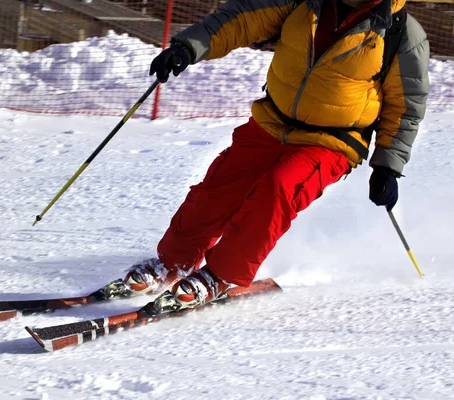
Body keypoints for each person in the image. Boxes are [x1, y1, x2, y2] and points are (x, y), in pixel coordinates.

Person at [125, 0, 429, 311]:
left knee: (279, 187)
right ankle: (173, 263)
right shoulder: (303, 2)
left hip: (332, 141)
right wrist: (188, 47)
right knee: (219, 186)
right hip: (272, 122)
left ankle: (221, 276)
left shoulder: (400, 31)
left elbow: (406, 107)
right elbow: (241, 20)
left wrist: (388, 167)